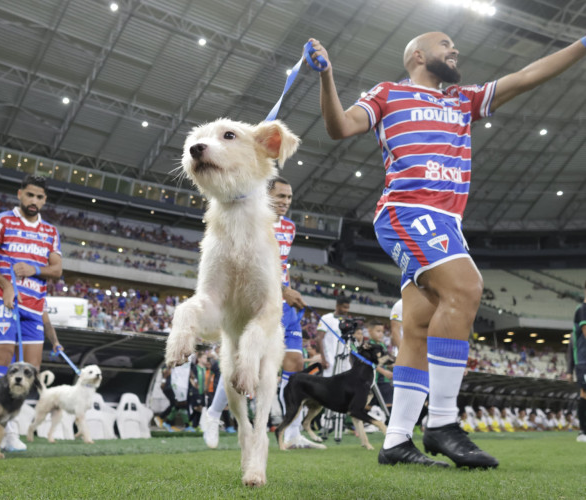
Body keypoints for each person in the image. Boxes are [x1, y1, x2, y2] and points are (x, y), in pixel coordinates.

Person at [309, 31, 586, 468]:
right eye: (445, 44)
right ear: (418, 55)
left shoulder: (462, 99)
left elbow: (527, 75)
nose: (455, 49)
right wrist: (327, 77)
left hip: (447, 222)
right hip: (408, 211)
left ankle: (396, 439)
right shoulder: (388, 93)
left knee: (418, 327)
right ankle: (440, 422)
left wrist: (582, 46)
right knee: (466, 289)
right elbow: (340, 127)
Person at [201, 177, 324, 450]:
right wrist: (282, 290)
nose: (285, 202)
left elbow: (279, 264)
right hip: (252, 301)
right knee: (245, 363)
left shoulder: (289, 227)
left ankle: (291, 434)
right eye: (280, 196)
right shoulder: (250, 223)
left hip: (280, 303)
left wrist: (287, 291)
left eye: (289, 198)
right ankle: (211, 415)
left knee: (295, 363)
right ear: (265, 196)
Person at [0, 175, 63, 451]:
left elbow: (57, 270)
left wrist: (34, 269)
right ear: (20, 195)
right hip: (5, 300)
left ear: (44, 200)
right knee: (2, 361)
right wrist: (4, 286)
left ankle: (10, 427)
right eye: (30, 195)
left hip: (35, 306)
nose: (34, 201)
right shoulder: (2, 220)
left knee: (29, 372)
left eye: (39, 197)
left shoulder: (50, 231)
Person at [567, 280, 586, 442]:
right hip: (584, 361)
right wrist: (569, 369)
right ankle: (583, 431)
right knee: (585, 393)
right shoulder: (582, 310)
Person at [316, 297, 352, 378]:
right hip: (330, 359)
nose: (346, 310)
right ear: (337, 306)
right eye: (344, 307)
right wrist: (323, 359)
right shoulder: (327, 318)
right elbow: (319, 338)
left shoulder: (347, 321)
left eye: (348, 308)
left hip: (344, 361)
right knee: (328, 386)